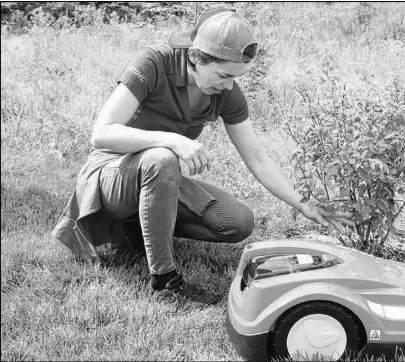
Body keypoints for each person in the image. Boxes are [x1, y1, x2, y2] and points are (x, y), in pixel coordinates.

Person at [52, 7, 353, 293]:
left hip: (158, 179)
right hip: (110, 176)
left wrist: (303, 204)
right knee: (162, 157)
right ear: (195, 56)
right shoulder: (153, 63)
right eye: (223, 75)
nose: (229, 86)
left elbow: (258, 158)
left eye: (236, 77)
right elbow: (102, 133)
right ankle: (164, 278)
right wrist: (172, 140)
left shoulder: (227, 93)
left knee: (237, 222)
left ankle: (140, 228)